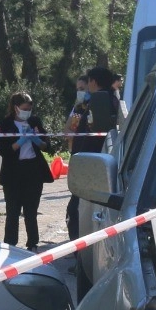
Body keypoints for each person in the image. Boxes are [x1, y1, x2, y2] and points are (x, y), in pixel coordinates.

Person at [0, 92, 55, 250]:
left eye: (30, 108)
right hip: (13, 173)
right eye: (24, 108)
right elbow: (3, 151)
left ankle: (33, 243)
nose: (27, 111)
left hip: (33, 171)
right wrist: (20, 141)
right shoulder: (5, 124)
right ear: (16, 108)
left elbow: (47, 146)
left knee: (31, 211)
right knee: (12, 212)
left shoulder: (35, 121)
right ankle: (10, 244)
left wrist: (36, 139)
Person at [64, 75, 92, 239]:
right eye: (78, 90)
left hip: (90, 164)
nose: (79, 93)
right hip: (77, 159)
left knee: (76, 210)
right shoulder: (78, 109)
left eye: (82, 89)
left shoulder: (95, 107)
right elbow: (68, 132)